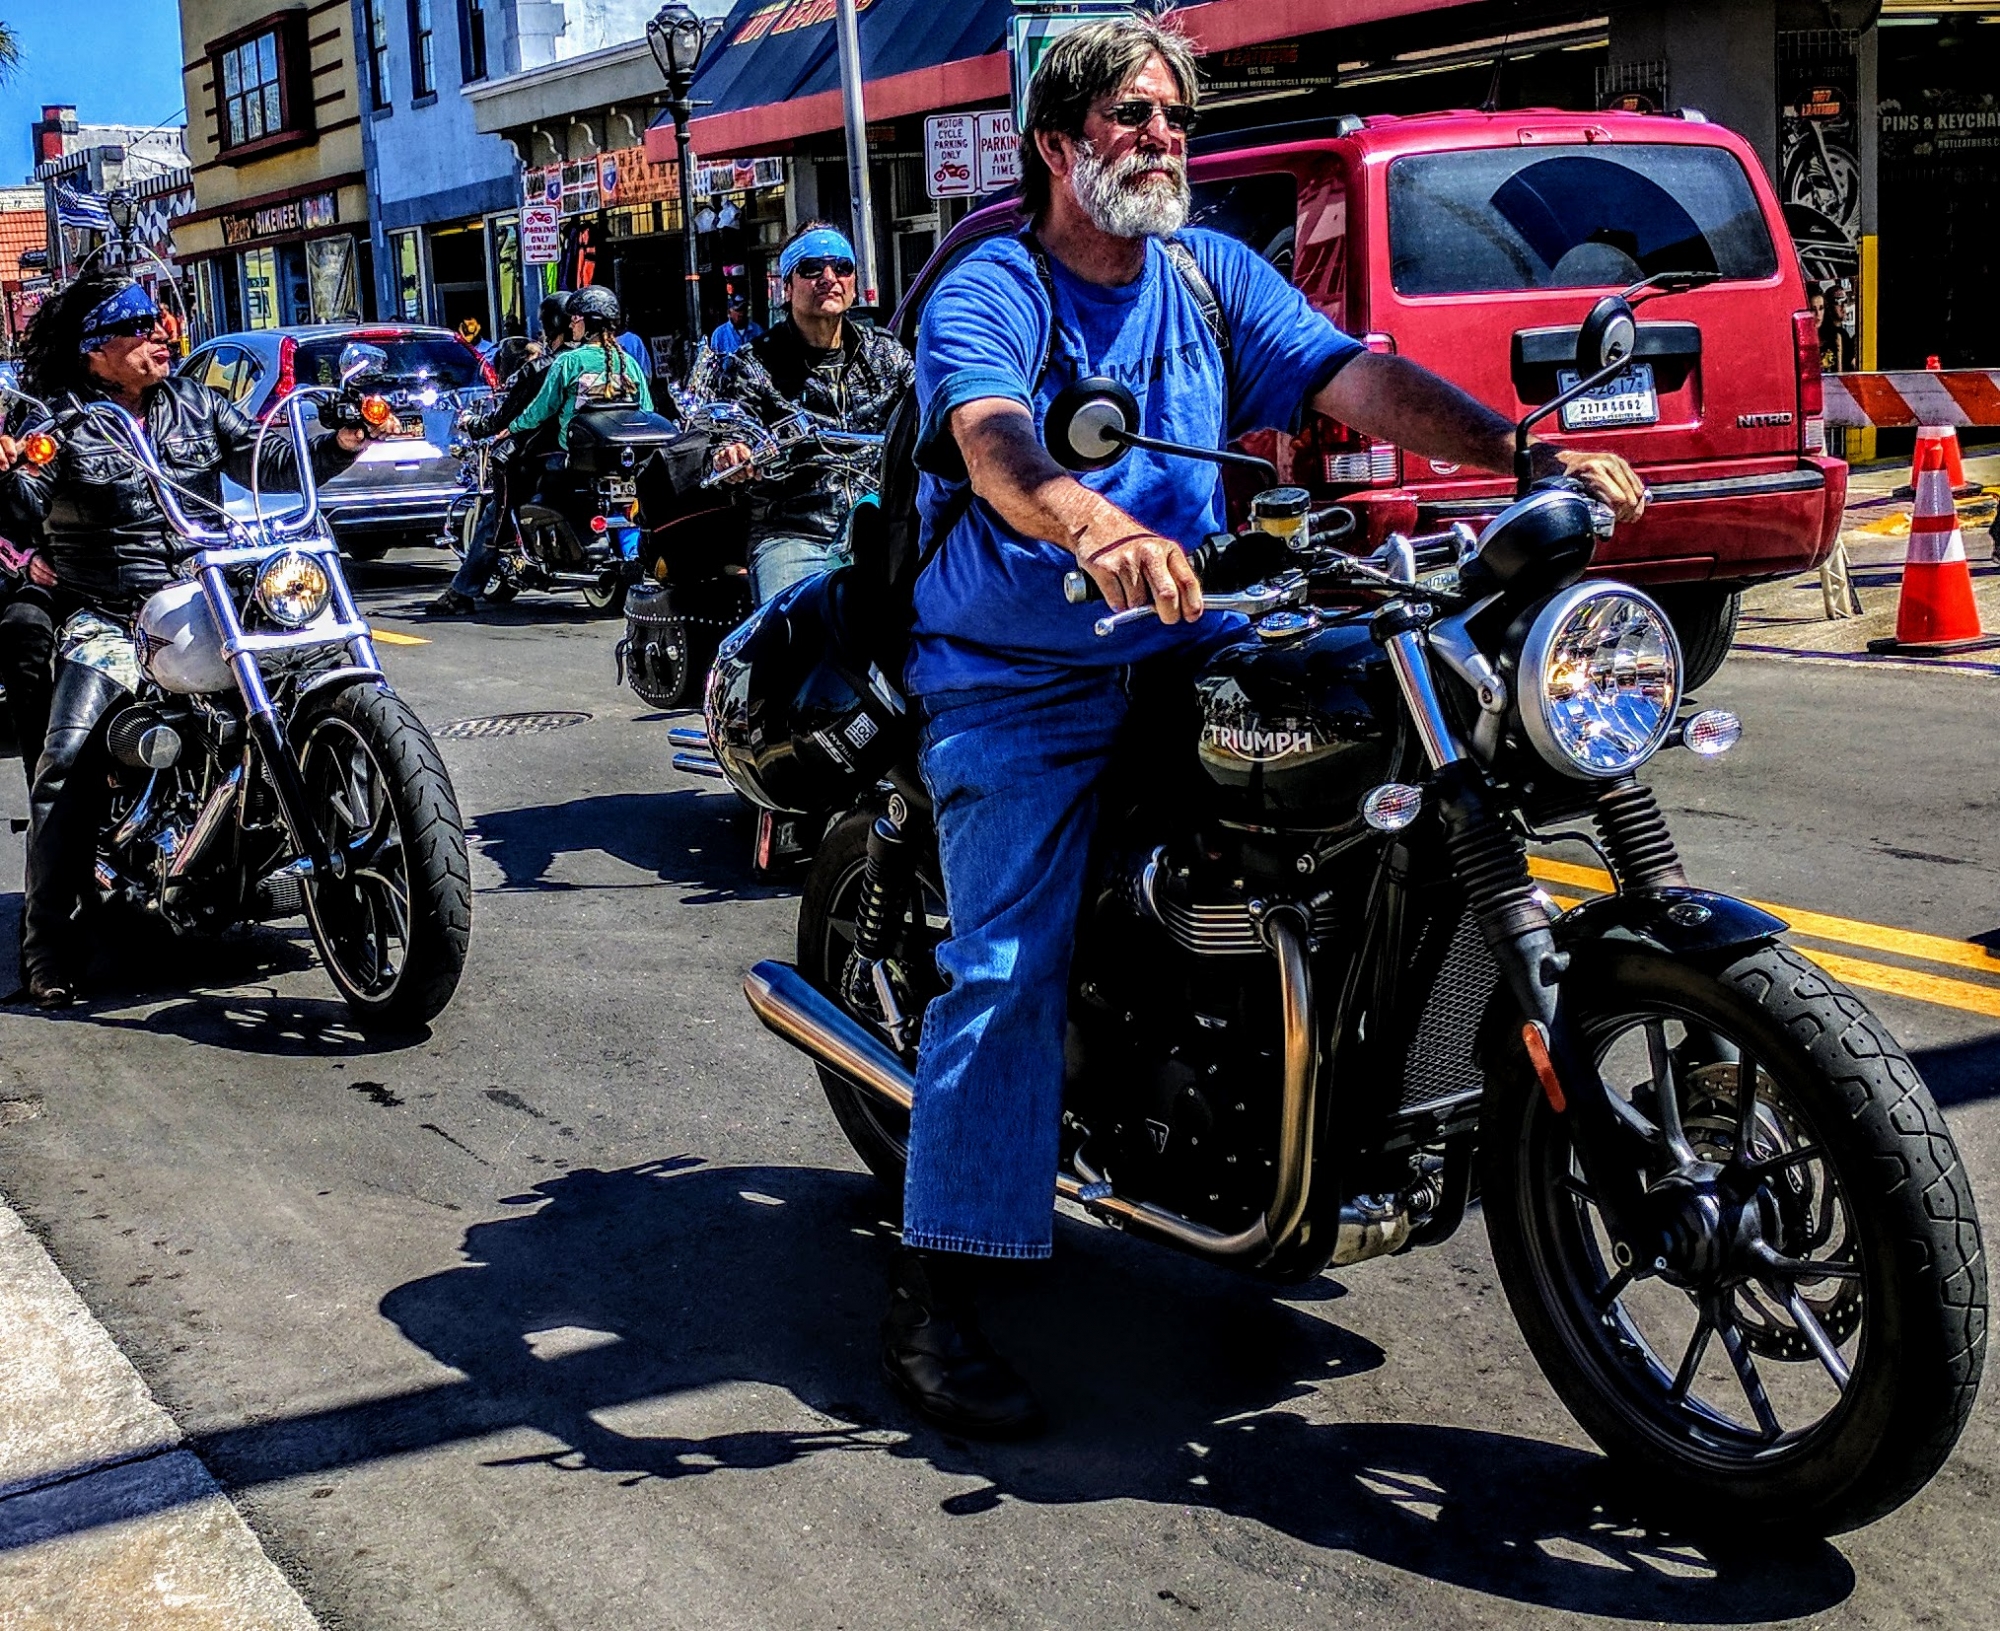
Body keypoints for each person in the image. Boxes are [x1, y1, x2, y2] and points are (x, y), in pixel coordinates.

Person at [882, 17, 1648, 1436]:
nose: (1161, 136)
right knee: (1004, 962)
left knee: (1385, 778)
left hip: (1194, 625)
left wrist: (1518, 450)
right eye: (1128, 115)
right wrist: (1092, 521)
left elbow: (1351, 375)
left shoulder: (1207, 272)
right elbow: (994, 439)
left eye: (1174, 114)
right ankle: (941, 1293)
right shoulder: (995, 284)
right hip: (1020, 666)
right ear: (1059, 145)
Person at [0, 273, 402, 1007]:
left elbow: (265, 457)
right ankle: (47, 944)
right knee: (66, 760)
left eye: (161, 322)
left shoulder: (195, 403)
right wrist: (6, 470)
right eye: (139, 326)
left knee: (313, 659)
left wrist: (338, 438)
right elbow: (23, 501)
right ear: (96, 349)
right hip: (111, 612)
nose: (161, 334)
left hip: (209, 590)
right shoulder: (59, 422)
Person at [711, 221, 915, 603]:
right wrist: (734, 451)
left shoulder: (886, 353)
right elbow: (730, 428)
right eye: (810, 269)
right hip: (796, 530)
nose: (829, 278)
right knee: (794, 631)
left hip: (885, 524)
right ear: (786, 287)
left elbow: (929, 410)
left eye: (841, 267)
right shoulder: (754, 363)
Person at [426, 296, 571, 617]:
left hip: (541, 457)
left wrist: (478, 426)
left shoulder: (551, 366)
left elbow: (518, 415)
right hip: (592, 456)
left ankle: (462, 592)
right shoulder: (610, 359)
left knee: (496, 514)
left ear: (550, 325)